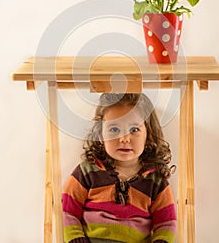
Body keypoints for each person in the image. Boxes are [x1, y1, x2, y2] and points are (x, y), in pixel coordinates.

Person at [62, 93, 176, 243]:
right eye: (114, 130)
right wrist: (76, 239)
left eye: (134, 129)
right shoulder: (86, 172)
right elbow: (68, 212)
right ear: (100, 135)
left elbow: (166, 223)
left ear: (148, 136)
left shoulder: (156, 182)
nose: (124, 138)